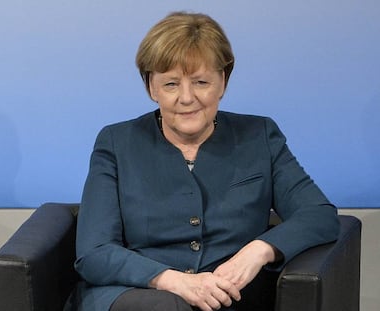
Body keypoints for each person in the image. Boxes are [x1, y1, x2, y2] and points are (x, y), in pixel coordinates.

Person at [65, 11, 339, 311]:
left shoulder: (259, 136)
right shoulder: (116, 143)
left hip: (228, 298)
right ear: (150, 88)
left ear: (223, 81)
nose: (186, 98)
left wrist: (258, 251)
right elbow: (94, 252)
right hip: (138, 293)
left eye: (201, 81)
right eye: (171, 84)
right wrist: (174, 281)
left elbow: (319, 214)